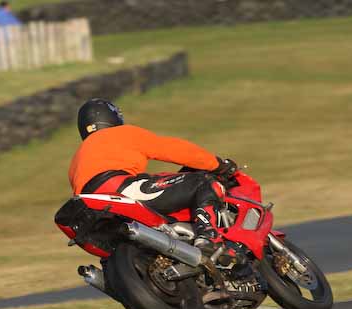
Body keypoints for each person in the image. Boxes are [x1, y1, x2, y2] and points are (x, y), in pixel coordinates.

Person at [68, 98, 238, 253]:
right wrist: (218, 165)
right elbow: (173, 150)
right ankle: (208, 236)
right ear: (113, 117)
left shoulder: (77, 157)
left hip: (90, 211)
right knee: (203, 182)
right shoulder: (121, 133)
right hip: (121, 190)